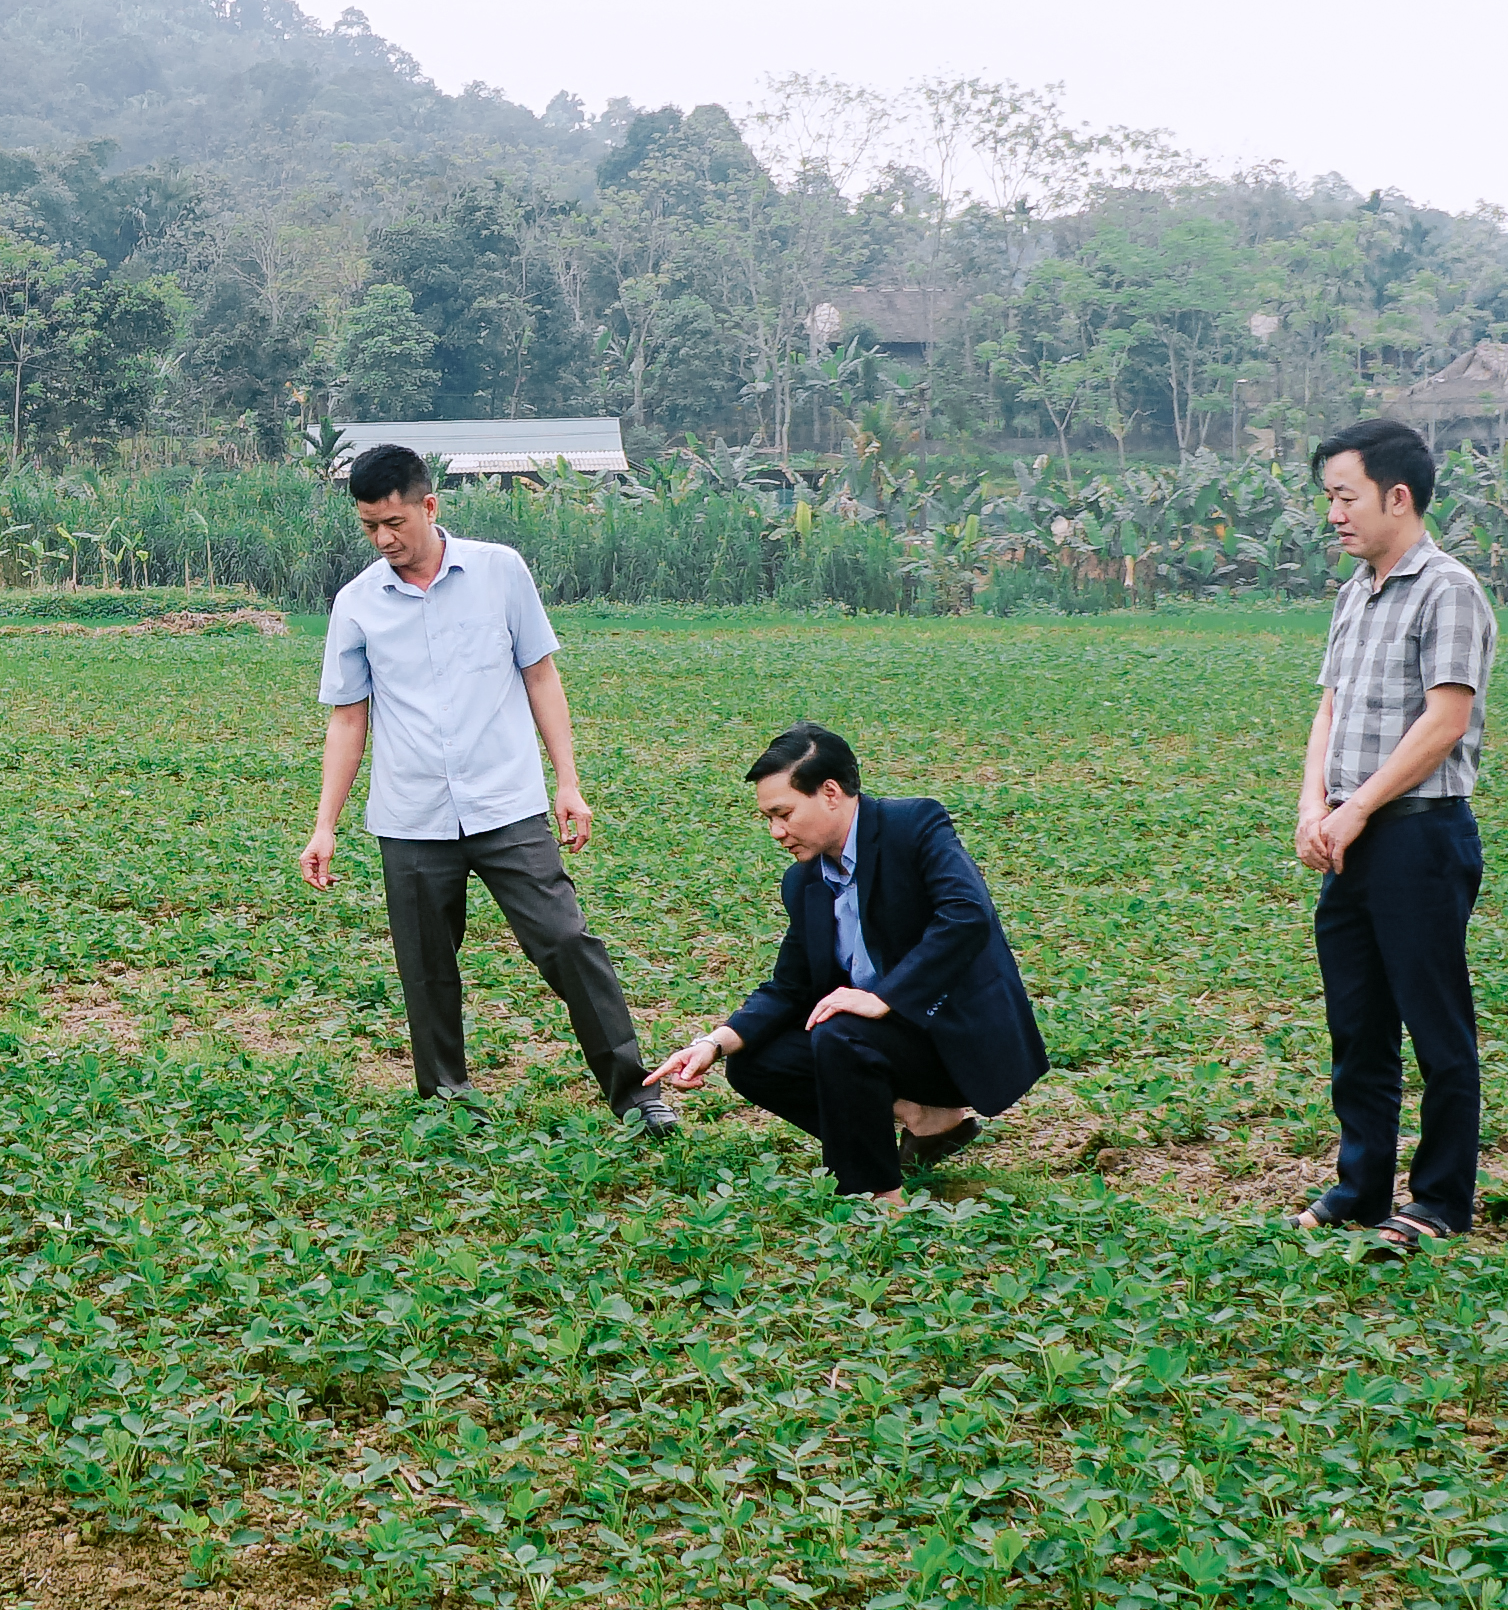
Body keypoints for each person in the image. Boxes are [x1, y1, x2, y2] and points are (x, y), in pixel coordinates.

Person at [301, 442, 669, 1130]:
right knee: (427, 969)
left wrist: (569, 781)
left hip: (507, 804)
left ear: (428, 506)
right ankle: (447, 1100)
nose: (384, 540)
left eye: (394, 523)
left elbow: (539, 675)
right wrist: (325, 824)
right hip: (411, 816)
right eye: (369, 528)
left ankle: (636, 1092)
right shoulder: (356, 604)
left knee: (566, 942)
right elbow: (348, 720)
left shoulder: (500, 572)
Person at [641, 724, 1048, 1199]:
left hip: (955, 1038)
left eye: (783, 814)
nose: (776, 832)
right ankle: (923, 1119)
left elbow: (966, 915)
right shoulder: (804, 881)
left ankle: (877, 1197)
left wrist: (884, 996)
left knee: (841, 1032)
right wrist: (712, 1043)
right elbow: (790, 987)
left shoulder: (913, 824)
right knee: (754, 1063)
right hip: (878, 1042)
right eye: (768, 819)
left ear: (830, 793)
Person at [1294, 418, 1492, 1246]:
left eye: (1345, 496)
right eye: (1329, 499)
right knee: (1358, 1023)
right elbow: (1330, 707)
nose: (1333, 513)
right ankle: (1361, 1186)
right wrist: (1315, 805)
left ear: (1397, 496)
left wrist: (1359, 805)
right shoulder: (1355, 593)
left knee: (1436, 1026)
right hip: (1353, 831)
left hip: (1418, 834)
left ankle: (1440, 1201)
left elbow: (1445, 721)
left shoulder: (1448, 589)